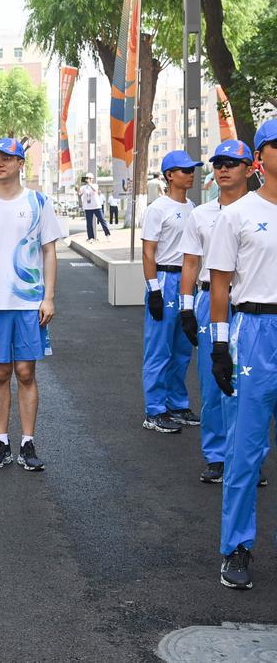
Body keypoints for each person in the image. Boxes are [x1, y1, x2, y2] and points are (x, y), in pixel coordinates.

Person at [0, 138, 66, 471]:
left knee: (25, 372)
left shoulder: (37, 203)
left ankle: (28, 443)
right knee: (0, 372)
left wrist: (48, 296)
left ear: (22, 163)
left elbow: (50, 250)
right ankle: (1, 441)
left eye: (7, 158)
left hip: (28, 301)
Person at [206, 119, 277, 590]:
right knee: (245, 449)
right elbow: (218, 284)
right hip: (254, 331)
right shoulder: (237, 215)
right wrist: (218, 344)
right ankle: (237, 546)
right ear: (261, 158)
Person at [178, 140, 254, 483]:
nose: (223, 169)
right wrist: (186, 309)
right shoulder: (200, 215)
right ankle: (217, 456)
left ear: (250, 169)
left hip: (251, 303)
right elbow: (191, 263)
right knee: (213, 382)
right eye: (218, 163)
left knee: (250, 384)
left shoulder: (263, 210)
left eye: (231, 163)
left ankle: (246, 460)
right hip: (211, 300)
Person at [140, 150, 202, 434]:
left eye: (192, 169)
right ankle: (155, 410)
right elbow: (148, 251)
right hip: (164, 279)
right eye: (184, 170)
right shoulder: (158, 208)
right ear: (169, 175)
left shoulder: (194, 208)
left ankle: (177, 405)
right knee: (159, 349)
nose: (190, 174)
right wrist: (153, 289)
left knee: (181, 349)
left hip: (187, 281)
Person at [78, 173, 110, 243]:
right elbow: (79, 193)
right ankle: (91, 238)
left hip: (96, 206)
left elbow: (95, 190)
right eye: (86, 178)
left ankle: (107, 235)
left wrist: (90, 184)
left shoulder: (95, 185)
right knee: (89, 223)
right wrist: (79, 185)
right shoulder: (83, 187)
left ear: (92, 179)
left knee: (102, 221)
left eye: (89, 178)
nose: (87, 179)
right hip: (87, 207)